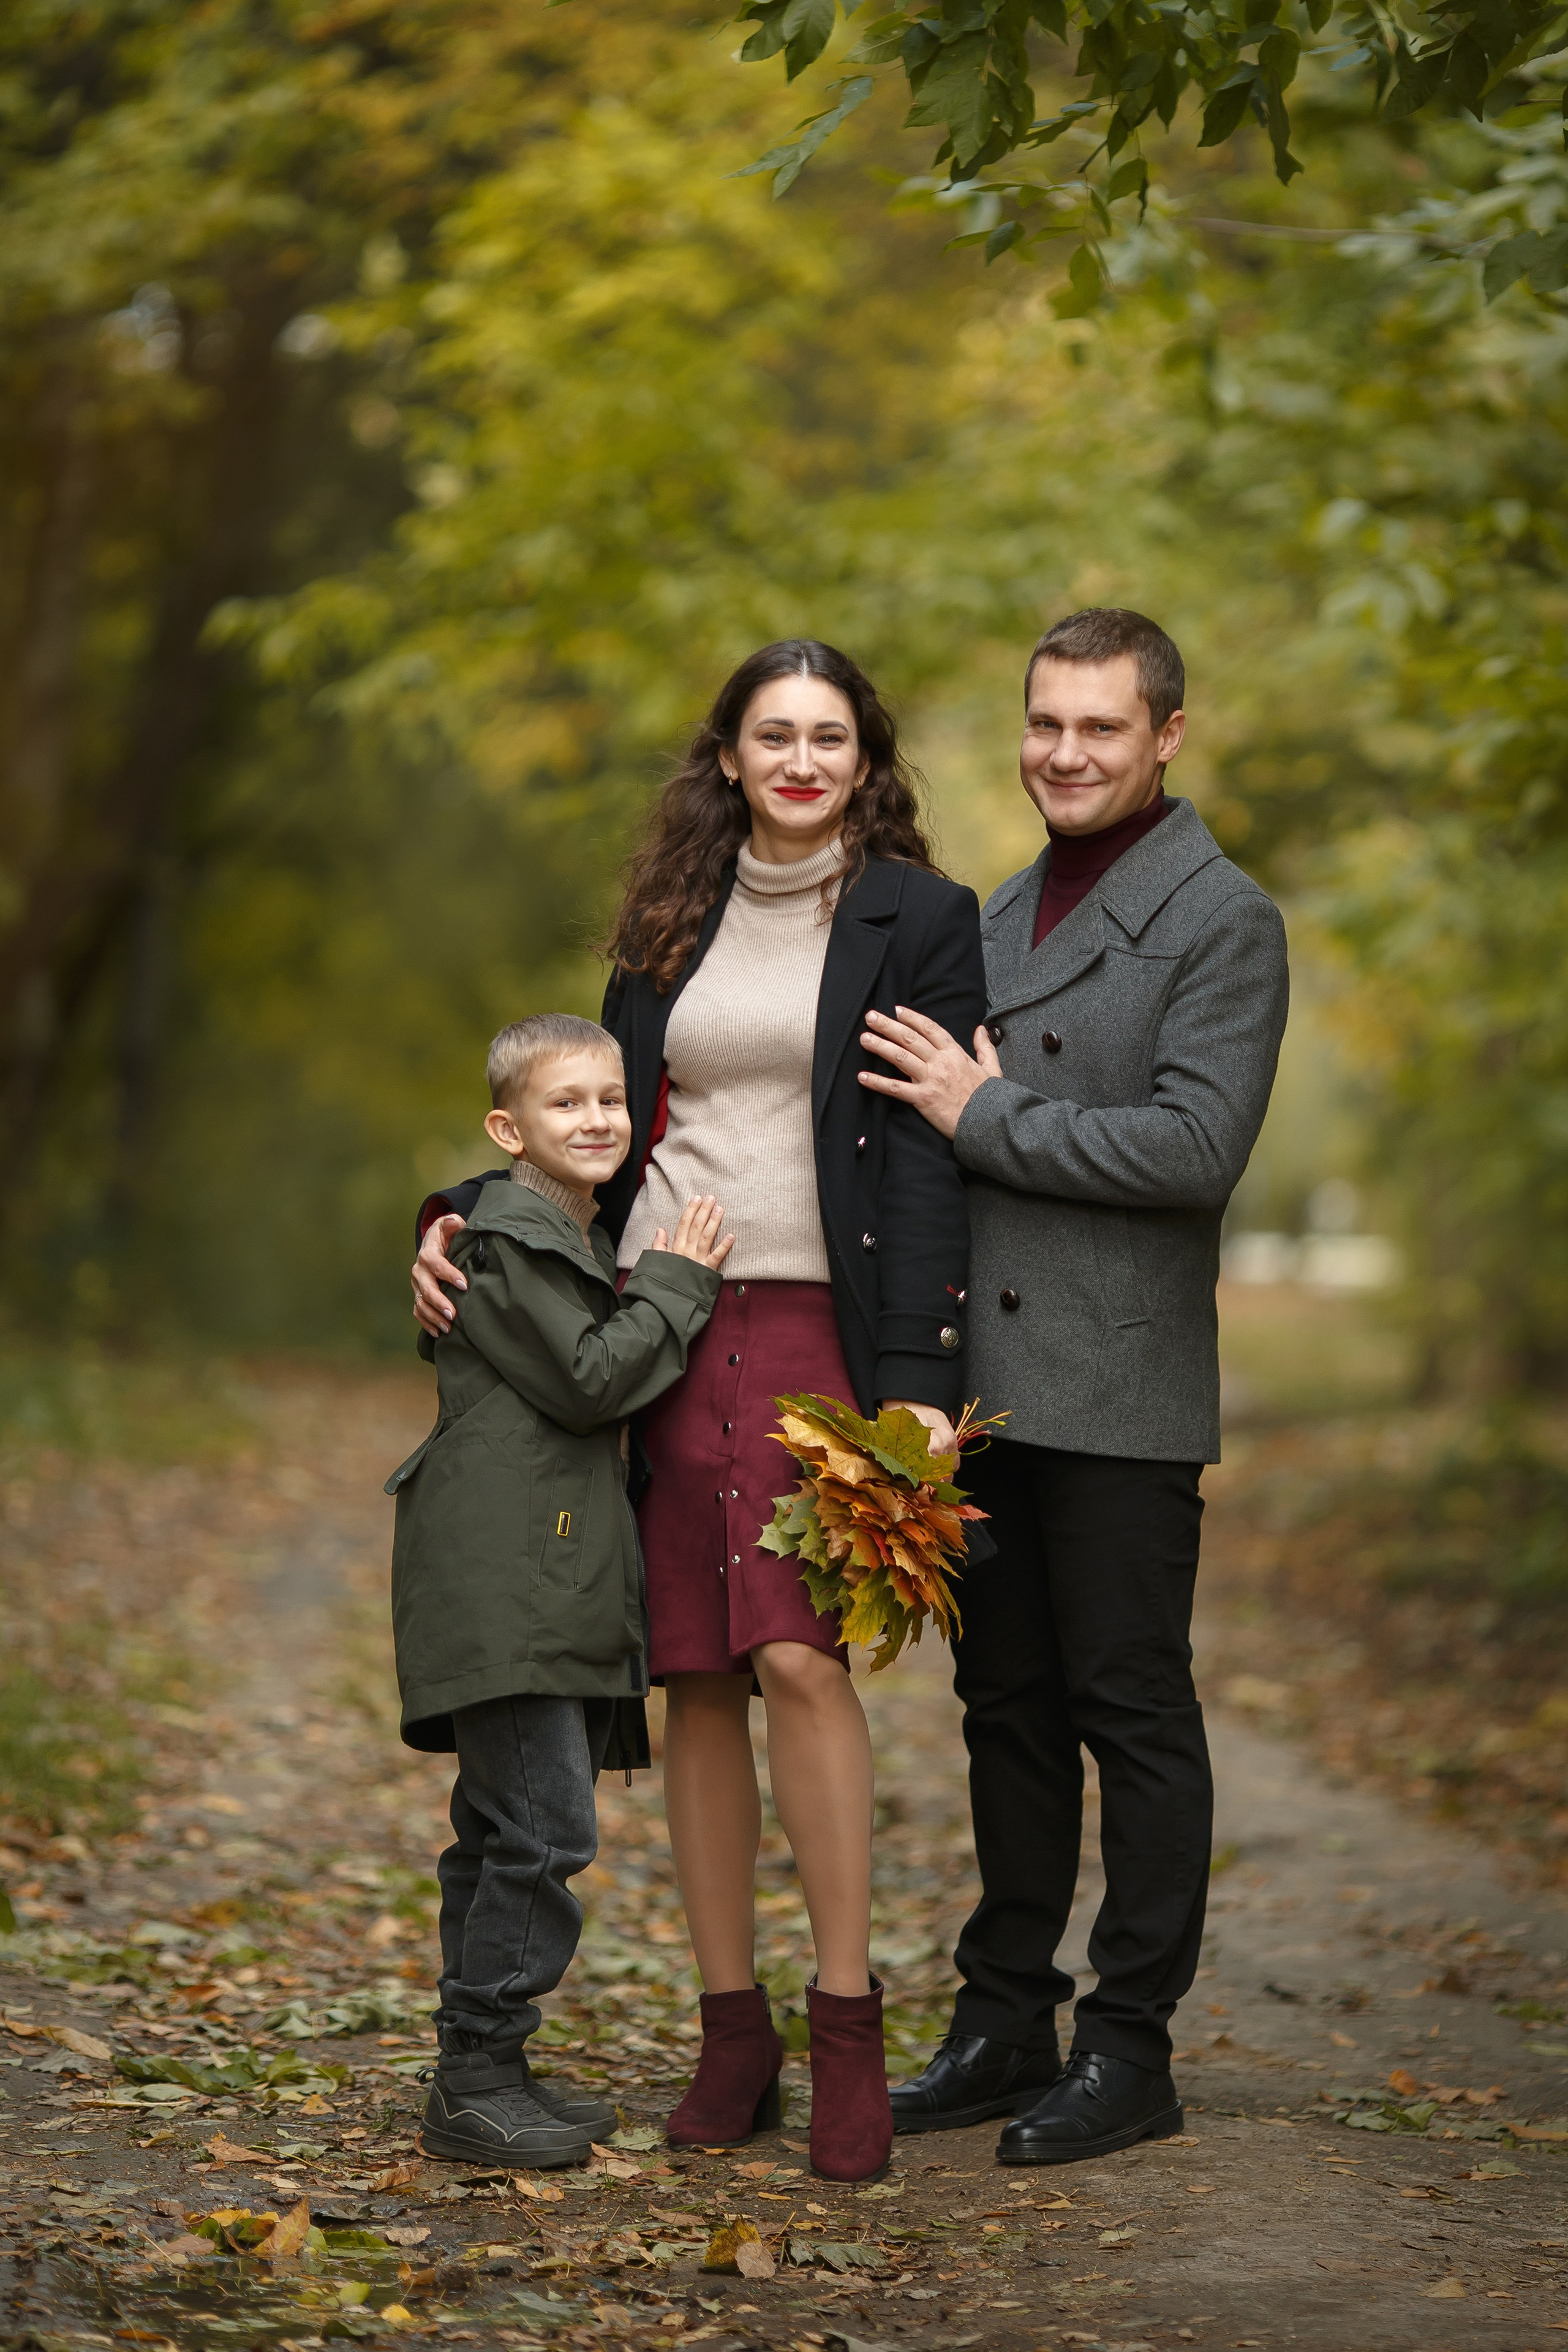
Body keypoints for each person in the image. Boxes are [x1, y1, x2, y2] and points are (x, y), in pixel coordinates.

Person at [412, 639, 987, 2183]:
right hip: (662, 1324)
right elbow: (579, 1117)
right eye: (769, 737)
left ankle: (847, 2013)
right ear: (725, 757)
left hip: (821, 1328)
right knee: (692, 1677)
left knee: (798, 1657)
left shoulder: (922, 920)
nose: (799, 763)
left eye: (828, 739)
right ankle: (731, 2030)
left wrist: (924, 1385)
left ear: (864, 760)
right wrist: (457, 1220)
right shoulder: (667, 917)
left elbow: (930, 1156)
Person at [859, 607, 1289, 2165]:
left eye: (1099, 727)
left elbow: (1193, 1149)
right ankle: (1001, 2019)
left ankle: (1129, 2047)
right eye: (1044, 723)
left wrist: (989, 1113)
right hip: (986, 1392)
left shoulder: (1224, 917)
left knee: (1130, 1710)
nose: (1064, 752)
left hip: (1118, 1384)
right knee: (1006, 1714)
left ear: (1165, 734)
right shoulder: (991, 910)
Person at [387, 1012, 731, 2168]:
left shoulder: (541, 1227)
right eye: (565, 1103)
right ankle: (477, 2077)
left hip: (531, 1577)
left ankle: (485, 2068)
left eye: (611, 1101)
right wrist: (681, 1282)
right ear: (508, 1128)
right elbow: (592, 1382)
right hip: (509, 1587)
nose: (596, 1121)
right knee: (540, 1830)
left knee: (499, 1829)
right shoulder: (509, 1238)